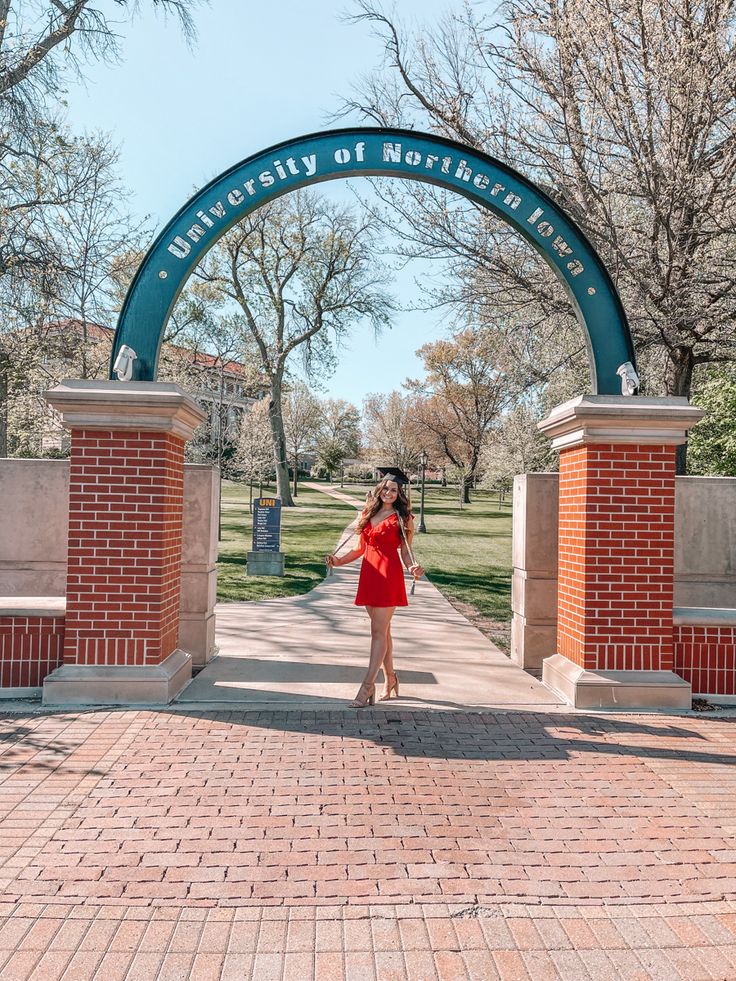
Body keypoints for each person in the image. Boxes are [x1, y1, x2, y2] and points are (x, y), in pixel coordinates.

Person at [325, 468, 424, 708]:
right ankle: (391, 678)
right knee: (384, 631)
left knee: (378, 632)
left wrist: (412, 568)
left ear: (399, 494)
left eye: (394, 490)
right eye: (387, 488)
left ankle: (367, 686)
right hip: (369, 574)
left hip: (389, 577)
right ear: (380, 489)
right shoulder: (368, 512)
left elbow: (406, 552)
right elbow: (359, 549)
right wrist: (337, 561)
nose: (389, 493)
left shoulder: (404, 518)